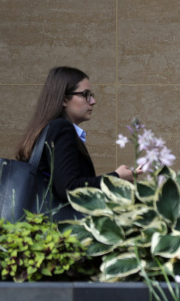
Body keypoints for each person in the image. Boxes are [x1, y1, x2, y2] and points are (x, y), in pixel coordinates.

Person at [16, 67, 134, 215]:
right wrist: (116, 178)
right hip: (59, 230)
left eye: (91, 95)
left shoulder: (48, 129)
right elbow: (70, 188)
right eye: (85, 95)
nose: (93, 101)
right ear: (64, 99)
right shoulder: (62, 128)